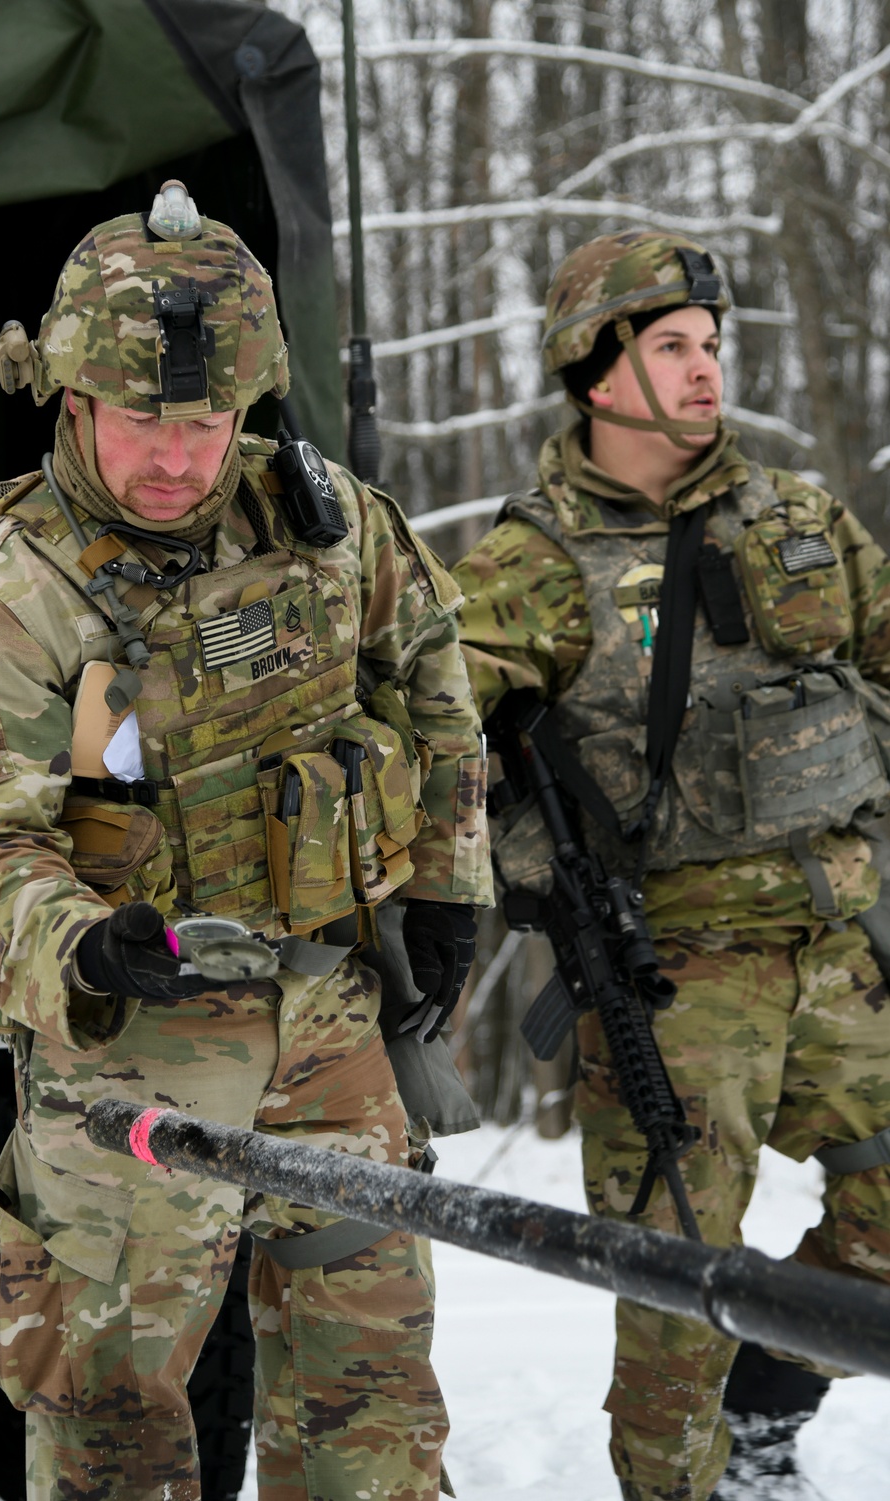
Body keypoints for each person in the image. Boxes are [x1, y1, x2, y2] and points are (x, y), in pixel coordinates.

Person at [0, 182, 491, 1501]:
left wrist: (451, 882)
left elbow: (431, 673)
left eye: (210, 422)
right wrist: (82, 944)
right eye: (145, 424)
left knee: (374, 1422)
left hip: (327, 1025)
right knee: (111, 1435)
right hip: (126, 1055)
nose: (179, 459)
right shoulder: (5, 592)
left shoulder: (321, 522)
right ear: (68, 397)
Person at [451, 228, 890, 1501]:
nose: (707, 372)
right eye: (672, 348)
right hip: (676, 987)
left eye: (712, 346)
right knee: (668, 1309)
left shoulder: (801, 520)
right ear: (597, 371)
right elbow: (429, 734)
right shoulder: (529, 567)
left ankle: (772, 1402)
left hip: (839, 954)